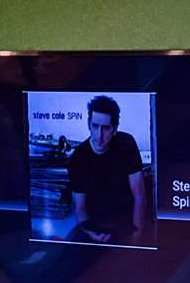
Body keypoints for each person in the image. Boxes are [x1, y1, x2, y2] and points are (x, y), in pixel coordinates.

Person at [63, 96, 147, 243]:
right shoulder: (78, 158)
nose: (99, 135)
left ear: (114, 128)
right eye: (95, 126)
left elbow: (139, 195)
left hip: (124, 221)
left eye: (106, 128)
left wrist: (137, 238)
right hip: (94, 225)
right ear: (89, 124)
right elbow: (80, 208)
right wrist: (92, 233)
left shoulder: (126, 144)